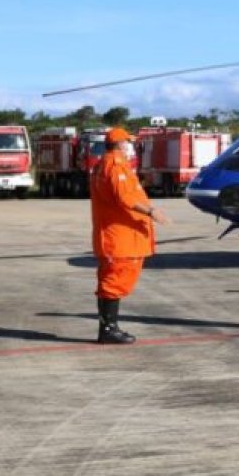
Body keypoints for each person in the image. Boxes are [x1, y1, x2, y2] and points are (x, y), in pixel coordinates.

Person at [90, 128, 170, 344]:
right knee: (114, 281)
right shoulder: (115, 166)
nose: (131, 147)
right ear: (121, 144)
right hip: (120, 237)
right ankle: (108, 329)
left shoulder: (107, 164)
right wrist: (151, 212)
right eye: (129, 143)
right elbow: (124, 197)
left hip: (121, 237)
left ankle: (108, 327)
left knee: (114, 281)